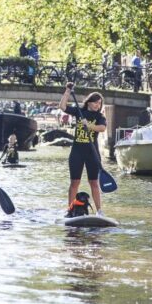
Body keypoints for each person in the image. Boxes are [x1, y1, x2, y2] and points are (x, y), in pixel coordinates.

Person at [59, 82, 107, 218]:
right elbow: (62, 106)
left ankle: (99, 211)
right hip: (77, 152)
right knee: (75, 182)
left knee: (94, 182)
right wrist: (67, 91)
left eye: (99, 103)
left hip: (92, 153)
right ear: (89, 102)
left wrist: (90, 126)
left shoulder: (99, 117)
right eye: (95, 103)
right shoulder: (80, 112)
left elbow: (102, 128)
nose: (97, 105)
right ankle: (70, 209)